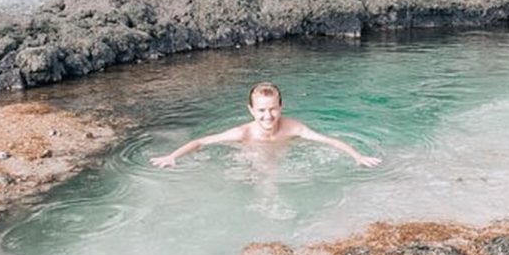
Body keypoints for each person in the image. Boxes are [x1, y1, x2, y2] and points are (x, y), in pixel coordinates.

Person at [149, 82, 382, 168]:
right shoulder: (243, 132)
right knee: (257, 170)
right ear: (251, 110)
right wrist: (173, 156)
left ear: (281, 107)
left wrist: (357, 156)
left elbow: (329, 141)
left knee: (269, 170)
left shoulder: (293, 128)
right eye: (261, 110)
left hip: (279, 154)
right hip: (248, 154)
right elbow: (201, 142)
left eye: (272, 109)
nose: (268, 116)